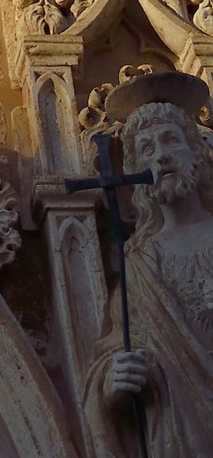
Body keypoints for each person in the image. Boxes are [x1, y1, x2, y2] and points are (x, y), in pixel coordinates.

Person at [81, 73, 213, 458]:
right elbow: (116, 349)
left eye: (172, 140)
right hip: (181, 433)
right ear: (138, 169)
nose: (161, 156)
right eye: (147, 149)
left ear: (197, 151)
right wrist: (115, 378)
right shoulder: (142, 263)